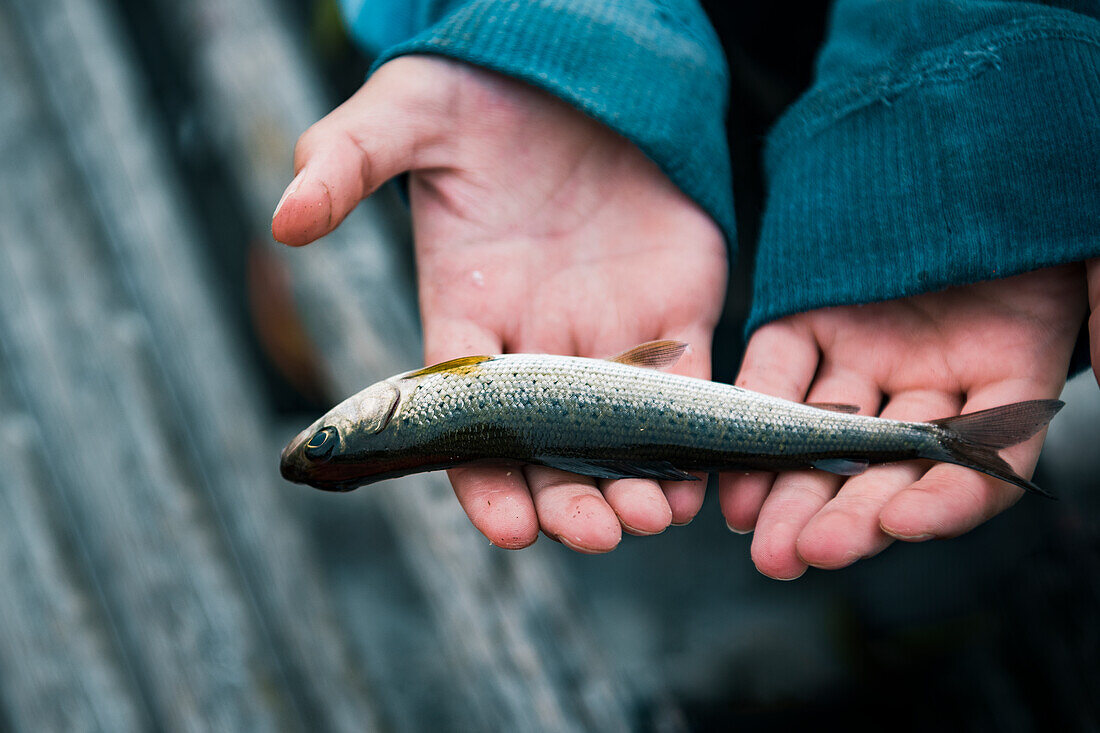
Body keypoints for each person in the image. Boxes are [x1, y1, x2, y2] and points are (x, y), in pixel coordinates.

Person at [272, 0, 1100, 579]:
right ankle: (928, 444)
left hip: (777, 171)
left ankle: (917, 451)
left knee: (761, 352)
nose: (328, 437)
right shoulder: (433, 402)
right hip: (752, 169)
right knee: (760, 354)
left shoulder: (432, 404)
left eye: (328, 444)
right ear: (382, 423)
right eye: (331, 445)